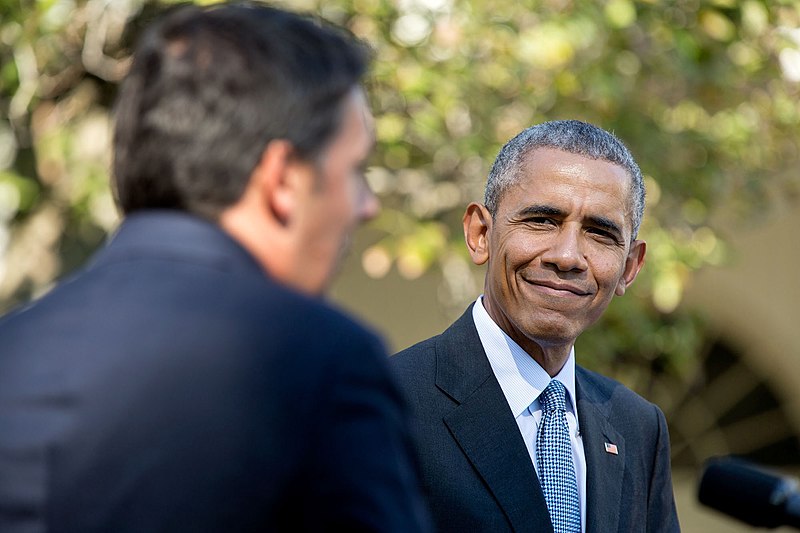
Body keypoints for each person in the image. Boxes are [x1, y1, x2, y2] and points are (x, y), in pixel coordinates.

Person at [0, 3, 430, 532]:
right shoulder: (321, 361)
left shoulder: (14, 348)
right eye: (355, 171)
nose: (367, 206)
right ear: (283, 182)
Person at [391, 120, 680, 532]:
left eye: (600, 233)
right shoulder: (387, 404)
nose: (568, 256)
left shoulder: (637, 428)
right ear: (480, 234)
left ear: (630, 267)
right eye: (542, 220)